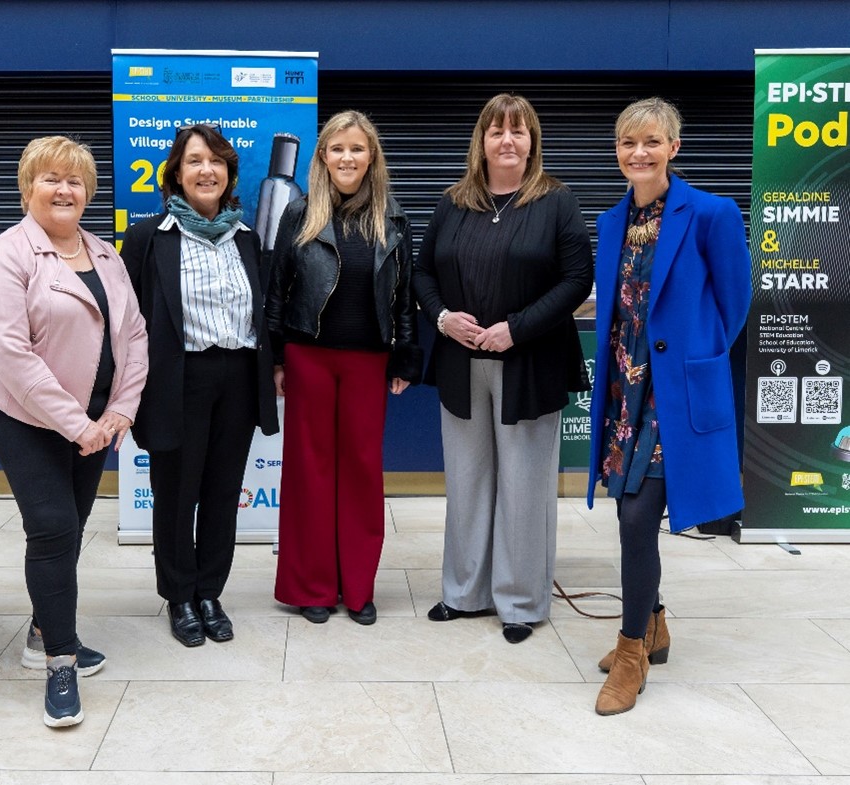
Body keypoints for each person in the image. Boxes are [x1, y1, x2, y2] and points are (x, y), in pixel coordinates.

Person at [0, 135, 148, 727]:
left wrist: (120, 411)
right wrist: (78, 425)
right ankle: (59, 662)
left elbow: (135, 336)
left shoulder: (105, 254)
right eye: (50, 178)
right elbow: (11, 353)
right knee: (51, 528)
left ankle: (43, 625)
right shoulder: (9, 254)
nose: (63, 189)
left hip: (96, 420)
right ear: (28, 188)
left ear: (89, 192)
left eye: (74, 180)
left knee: (72, 527)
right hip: (22, 413)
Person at [587, 97, 751, 715]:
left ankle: (631, 651)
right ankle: (653, 621)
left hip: (674, 392)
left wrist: (694, 361)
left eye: (651, 142)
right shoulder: (610, 222)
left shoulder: (711, 213)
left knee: (635, 520)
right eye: (628, 143)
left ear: (673, 148)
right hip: (625, 390)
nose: (639, 153)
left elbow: (734, 306)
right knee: (628, 512)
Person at [413, 93, 593, 644]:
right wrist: (444, 319)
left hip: (529, 362)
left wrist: (516, 328)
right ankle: (464, 592)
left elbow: (576, 280)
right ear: (482, 142)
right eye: (497, 131)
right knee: (467, 482)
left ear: (532, 141)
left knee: (524, 484)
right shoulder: (453, 203)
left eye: (519, 131)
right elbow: (422, 275)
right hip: (461, 362)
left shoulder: (556, 202)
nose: (508, 140)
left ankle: (519, 602)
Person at [121, 124, 278, 648]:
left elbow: (264, 314)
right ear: (176, 174)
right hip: (178, 380)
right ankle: (180, 596)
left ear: (230, 173)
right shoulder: (149, 237)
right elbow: (127, 320)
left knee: (221, 492)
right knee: (175, 494)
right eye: (194, 161)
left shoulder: (249, 240)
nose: (206, 170)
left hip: (237, 378)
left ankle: (211, 591)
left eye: (216, 161)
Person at [266, 110, 421, 626]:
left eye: (356, 149)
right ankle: (312, 585)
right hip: (309, 356)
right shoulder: (300, 213)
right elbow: (277, 290)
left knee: (360, 474)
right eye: (337, 149)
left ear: (370, 156)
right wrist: (276, 357)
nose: (347, 158)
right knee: (310, 474)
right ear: (322, 157)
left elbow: (403, 296)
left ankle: (357, 587)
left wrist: (404, 354)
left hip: (368, 362)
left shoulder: (392, 219)